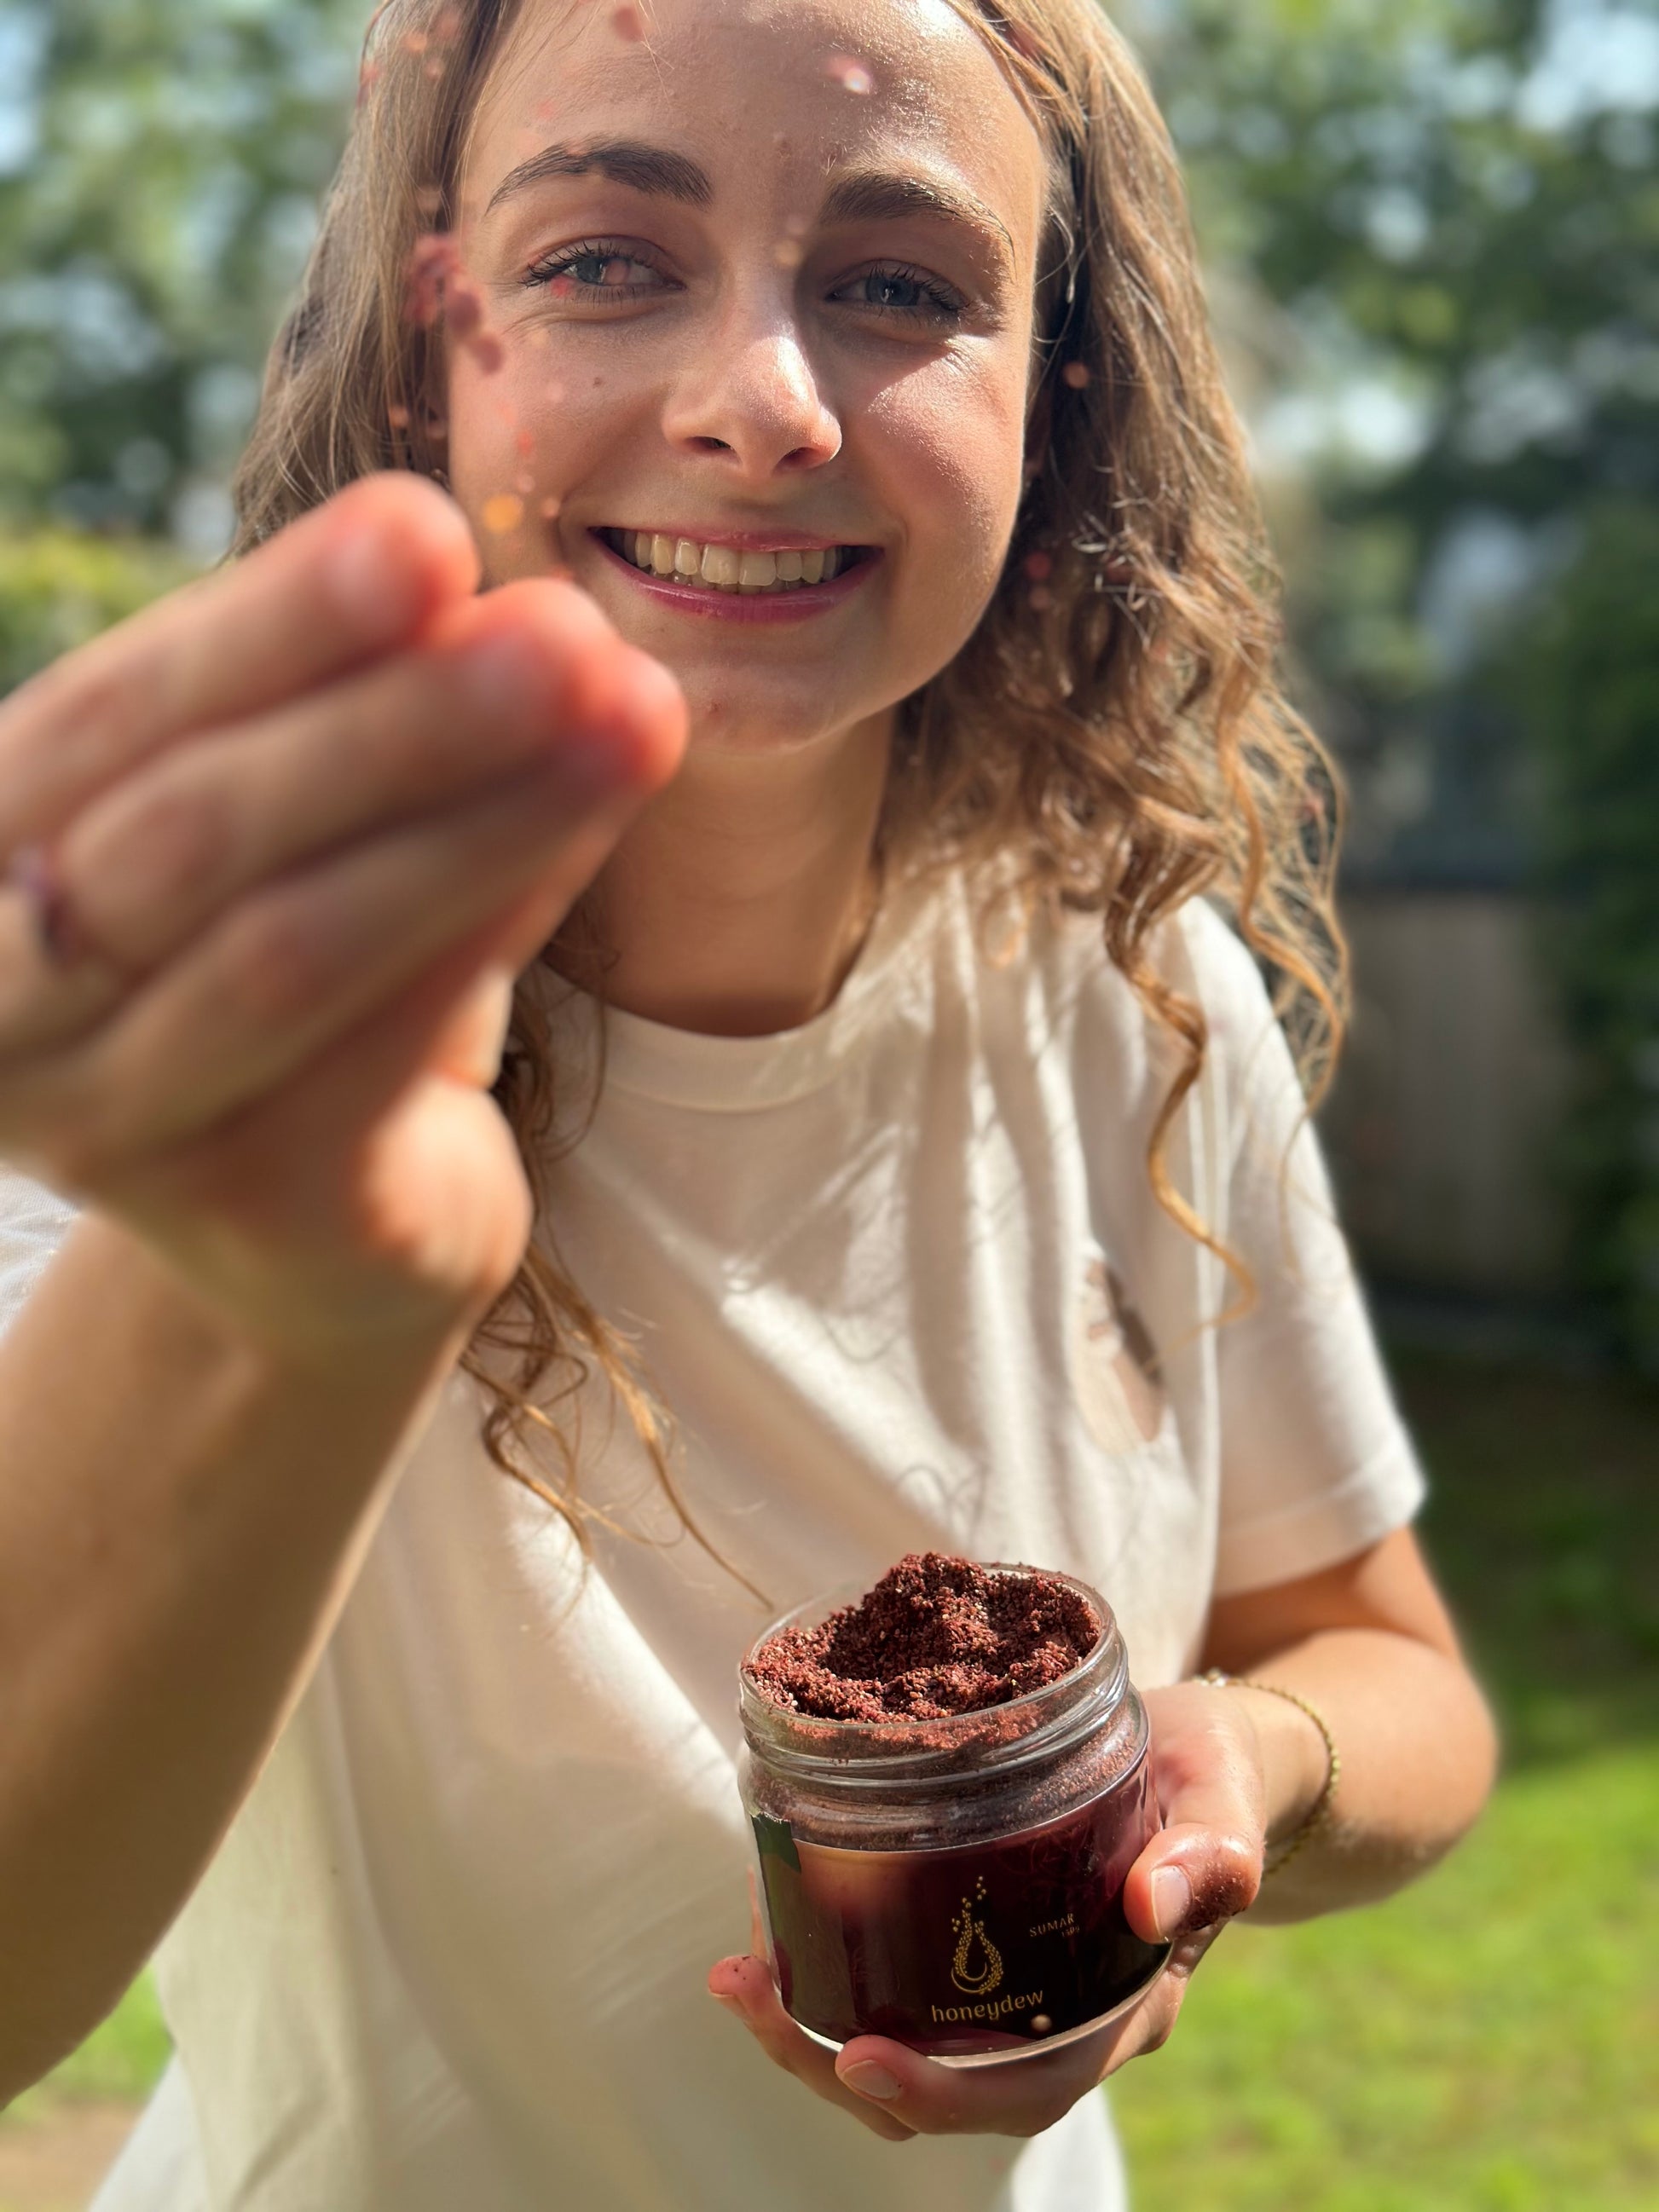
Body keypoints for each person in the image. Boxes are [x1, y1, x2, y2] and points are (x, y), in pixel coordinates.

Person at [0, 1, 1499, 2206]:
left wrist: (1243, 1770)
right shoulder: (197, 1023)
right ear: (434, 350)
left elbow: (1383, 1662)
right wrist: (293, 1313)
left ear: (1050, 396)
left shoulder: (1129, 976)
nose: (761, 406)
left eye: (898, 284)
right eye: (608, 258)